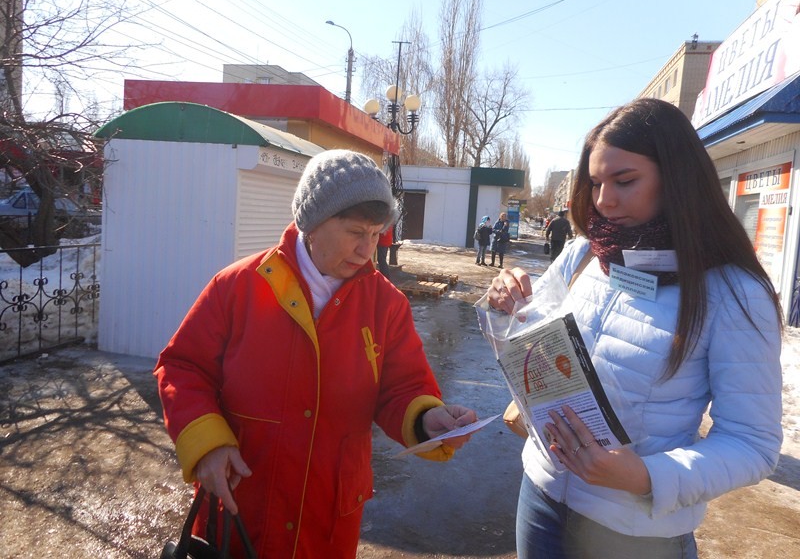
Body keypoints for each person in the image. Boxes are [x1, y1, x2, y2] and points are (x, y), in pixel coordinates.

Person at [485, 98, 783, 558]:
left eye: (624, 181)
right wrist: (509, 305)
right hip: (542, 499)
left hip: (633, 534)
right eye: (596, 183)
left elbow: (752, 443)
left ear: (677, 178)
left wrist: (646, 477)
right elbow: (533, 342)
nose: (604, 200)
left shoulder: (733, 292)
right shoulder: (585, 254)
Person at [155, 149, 477, 558]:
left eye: (376, 234)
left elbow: (403, 388)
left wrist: (427, 419)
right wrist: (207, 445)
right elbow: (182, 367)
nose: (366, 249)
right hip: (240, 510)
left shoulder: (386, 305)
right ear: (312, 222)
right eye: (355, 232)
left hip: (326, 524)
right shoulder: (238, 286)